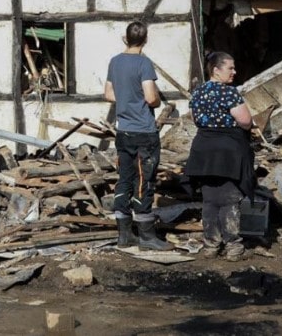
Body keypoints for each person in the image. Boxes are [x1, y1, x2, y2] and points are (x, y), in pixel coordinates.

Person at [104, 21, 172, 251]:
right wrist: (154, 101)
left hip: (123, 131)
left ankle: (124, 235)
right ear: (145, 40)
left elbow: (108, 94)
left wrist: (126, 100)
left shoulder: (115, 61)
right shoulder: (144, 63)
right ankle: (146, 236)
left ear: (126, 38)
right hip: (144, 131)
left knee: (124, 178)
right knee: (144, 181)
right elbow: (151, 97)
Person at [184, 51, 256, 260]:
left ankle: (211, 245)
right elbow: (245, 121)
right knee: (229, 199)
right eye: (230, 68)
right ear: (216, 70)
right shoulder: (228, 92)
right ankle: (234, 247)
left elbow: (196, 119)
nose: (234, 72)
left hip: (203, 150)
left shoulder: (198, 92)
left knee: (210, 199)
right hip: (227, 150)